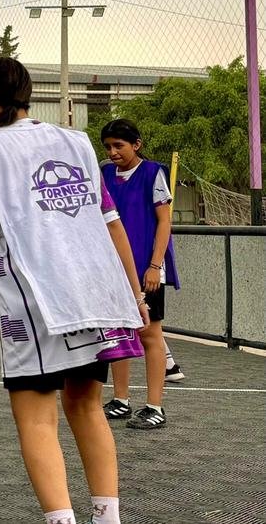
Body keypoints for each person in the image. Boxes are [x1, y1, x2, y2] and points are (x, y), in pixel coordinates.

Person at [0, 57, 149, 524]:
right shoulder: (76, 141)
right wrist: (130, 287)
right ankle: (107, 516)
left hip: (35, 296)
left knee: (37, 416)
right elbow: (108, 219)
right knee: (87, 405)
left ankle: (61, 520)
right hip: (92, 290)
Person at [98, 118, 183, 428]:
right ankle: (121, 400)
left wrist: (155, 265)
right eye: (108, 147)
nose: (113, 152)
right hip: (114, 271)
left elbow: (164, 222)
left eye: (118, 146)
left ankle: (155, 406)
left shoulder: (152, 173)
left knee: (150, 334)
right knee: (119, 333)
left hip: (146, 270)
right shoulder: (105, 173)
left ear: (136, 145)